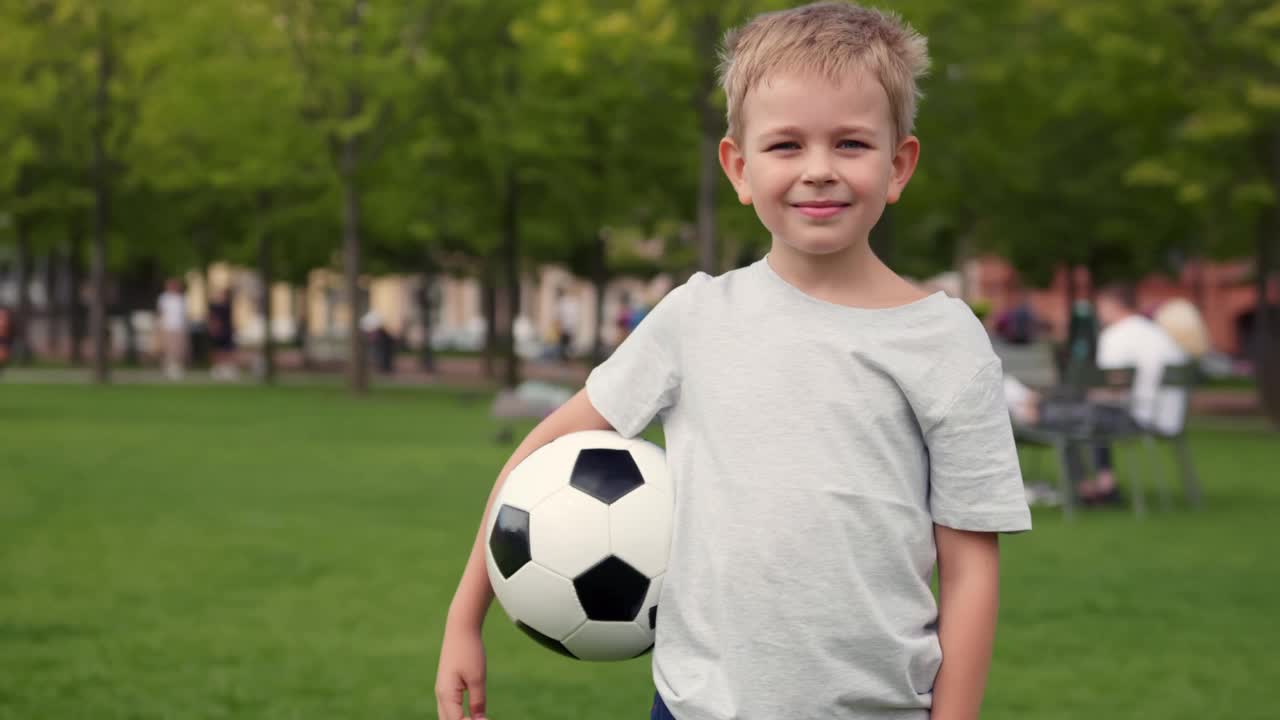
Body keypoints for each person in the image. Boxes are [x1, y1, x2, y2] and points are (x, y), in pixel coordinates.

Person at [435, 5, 1031, 720]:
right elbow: (542, 452)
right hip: (694, 708)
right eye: (786, 146)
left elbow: (970, 568)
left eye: (850, 143)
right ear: (739, 169)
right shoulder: (696, 319)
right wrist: (465, 617)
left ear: (898, 165)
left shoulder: (946, 343)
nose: (818, 171)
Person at [1078, 283, 1189, 503]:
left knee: (1074, 417)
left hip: (1139, 415)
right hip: (1169, 417)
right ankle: (1103, 482)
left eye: (1100, 307)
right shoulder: (1158, 333)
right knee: (1090, 413)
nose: (1099, 314)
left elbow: (1110, 387)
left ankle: (1093, 487)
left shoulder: (1116, 336)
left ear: (1112, 306)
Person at [156, 278, 189, 381]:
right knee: (168, 349)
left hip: (179, 327)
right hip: (167, 326)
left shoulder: (181, 298)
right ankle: (168, 368)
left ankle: (177, 367)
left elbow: (184, 314)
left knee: (179, 349)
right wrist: (159, 327)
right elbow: (160, 313)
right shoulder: (164, 298)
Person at [207, 288, 238, 381]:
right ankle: (218, 367)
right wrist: (214, 328)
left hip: (227, 330)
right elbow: (213, 319)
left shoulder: (229, 305)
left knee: (227, 349)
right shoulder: (215, 306)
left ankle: (226, 367)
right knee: (218, 350)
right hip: (219, 331)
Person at [554, 288, 580, 361]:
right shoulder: (563, 302)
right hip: (565, 329)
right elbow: (559, 316)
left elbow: (576, 317)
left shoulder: (574, 302)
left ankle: (566, 359)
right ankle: (564, 359)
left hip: (569, 329)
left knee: (567, 347)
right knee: (564, 347)